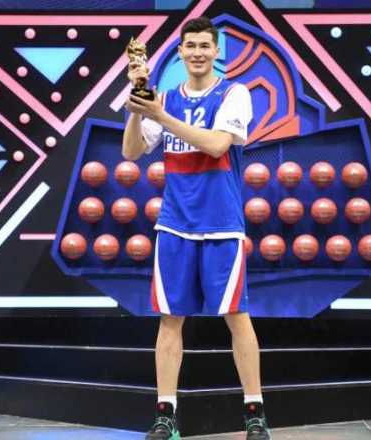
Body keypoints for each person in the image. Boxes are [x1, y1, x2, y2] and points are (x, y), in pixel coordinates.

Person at [122, 16, 271, 440]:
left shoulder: (234, 93)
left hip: (222, 224)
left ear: (216, 51)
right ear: (181, 51)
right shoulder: (165, 97)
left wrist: (160, 115)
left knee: (237, 317)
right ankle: (165, 415)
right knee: (170, 321)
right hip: (174, 225)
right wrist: (138, 107)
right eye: (191, 46)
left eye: (205, 45)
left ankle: (255, 413)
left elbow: (217, 144)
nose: (198, 52)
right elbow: (132, 152)